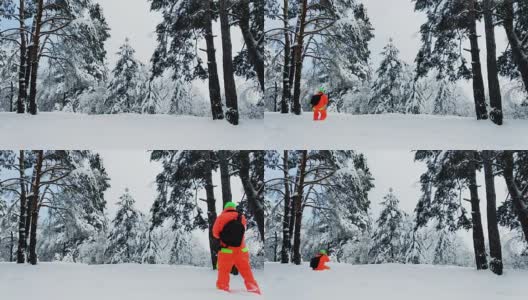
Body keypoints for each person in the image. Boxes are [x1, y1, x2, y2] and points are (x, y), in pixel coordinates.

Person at [213, 202, 261, 294]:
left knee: (224, 271)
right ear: (234, 208)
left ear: (225, 208)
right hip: (241, 250)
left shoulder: (221, 218)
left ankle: (223, 290)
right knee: (246, 271)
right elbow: (242, 231)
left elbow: (215, 234)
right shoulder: (241, 217)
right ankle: (253, 288)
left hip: (226, 250)